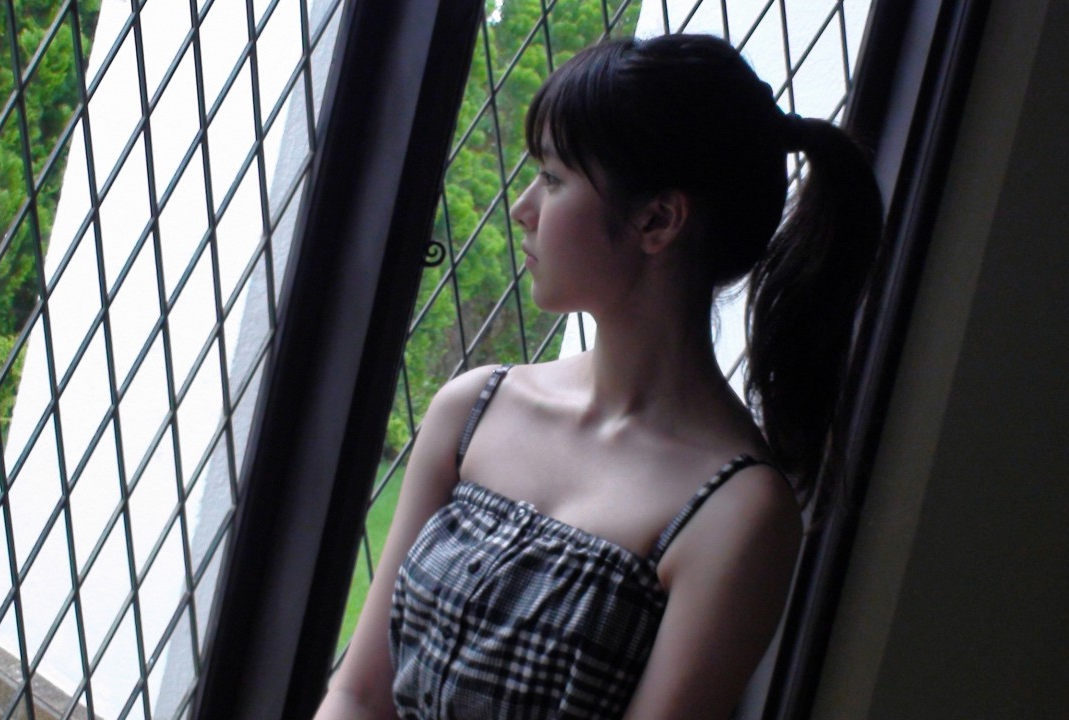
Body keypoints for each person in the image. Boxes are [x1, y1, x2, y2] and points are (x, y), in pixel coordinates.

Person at [314, 33, 883, 720]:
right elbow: (357, 692)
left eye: (553, 179)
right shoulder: (472, 409)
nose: (523, 207)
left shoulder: (738, 512)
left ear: (657, 220)